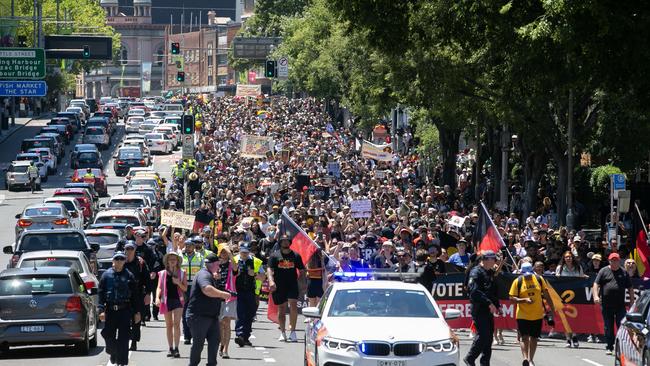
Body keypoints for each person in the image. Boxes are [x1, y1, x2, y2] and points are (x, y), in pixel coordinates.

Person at [185, 252, 231, 366]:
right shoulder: (204, 274)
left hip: (211, 317)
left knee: (215, 341)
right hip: (198, 316)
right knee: (198, 343)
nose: (219, 267)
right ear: (213, 264)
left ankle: (211, 364)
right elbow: (207, 289)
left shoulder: (210, 274)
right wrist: (222, 294)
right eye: (217, 264)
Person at [98, 251, 140, 366]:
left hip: (125, 311)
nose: (119, 261)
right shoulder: (106, 275)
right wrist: (101, 310)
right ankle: (113, 352)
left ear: (124, 261)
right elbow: (101, 294)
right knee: (107, 335)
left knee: (124, 339)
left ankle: (122, 362)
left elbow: (135, 295)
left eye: (121, 259)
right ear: (113, 261)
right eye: (117, 259)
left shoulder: (129, 275)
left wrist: (137, 312)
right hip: (111, 311)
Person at [509, 262, 555, 366]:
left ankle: (531, 359)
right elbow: (511, 299)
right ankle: (525, 358)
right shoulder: (518, 281)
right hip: (522, 315)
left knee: (534, 338)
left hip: (537, 314)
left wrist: (552, 309)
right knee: (524, 337)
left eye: (530, 274)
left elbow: (547, 295)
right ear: (521, 273)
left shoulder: (539, 279)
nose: (528, 277)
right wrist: (524, 300)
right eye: (526, 275)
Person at [593, 252, 634, 355]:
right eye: (612, 260)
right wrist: (596, 296)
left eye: (616, 260)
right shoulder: (603, 271)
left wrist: (632, 302)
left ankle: (620, 347)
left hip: (620, 305)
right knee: (608, 327)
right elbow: (596, 284)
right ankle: (609, 347)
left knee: (621, 326)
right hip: (606, 305)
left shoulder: (624, 272)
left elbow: (630, 288)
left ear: (619, 261)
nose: (614, 262)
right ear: (609, 261)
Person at [464, 250, 500, 366]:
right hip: (479, 308)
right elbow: (474, 291)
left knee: (488, 338)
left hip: (488, 309)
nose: (495, 261)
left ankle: (485, 363)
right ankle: (470, 358)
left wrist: (496, 305)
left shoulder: (488, 272)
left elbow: (491, 290)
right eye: (493, 259)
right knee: (483, 335)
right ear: (485, 259)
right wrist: (489, 303)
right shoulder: (476, 272)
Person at [268, 234, 305, 342]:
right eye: (283, 241)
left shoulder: (296, 255)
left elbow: (302, 270)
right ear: (280, 242)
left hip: (292, 284)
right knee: (282, 308)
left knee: (293, 305)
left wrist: (302, 283)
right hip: (279, 285)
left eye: (287, 241)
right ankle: (283, 332)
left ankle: (293, 332)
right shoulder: (274, 256)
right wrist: (271, 281)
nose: (285, 242)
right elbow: (269, 269)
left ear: (290, 242)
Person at [155, 251, 187, 358]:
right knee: (169, 325)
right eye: (170, 259)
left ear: (177, 261)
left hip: (178, 300)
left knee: (177, 324)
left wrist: (178, 282)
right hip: (166, 300)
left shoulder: (182, 272)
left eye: (174, 259)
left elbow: (185, 288)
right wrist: (156, 298)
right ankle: (170, 348)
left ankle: (177, 348)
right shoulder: (163, 273)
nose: (172, 261)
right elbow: (159, 287)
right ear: (167, 262)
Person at [235, 244, 264, 347]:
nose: (244, 254)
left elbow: (263, 277)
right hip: (238, 292)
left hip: (251, 292)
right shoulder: (234, 260)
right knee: (240, 314)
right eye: (242, 252)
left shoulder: (256, 261)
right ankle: (240, 335)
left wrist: (255, 274)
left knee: (249, 315)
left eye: (246, 252)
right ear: (239, 251)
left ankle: (246, 337)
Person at [123, 242, 150, 352]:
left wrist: (148, 294)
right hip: (123, 295)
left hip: (137, 295)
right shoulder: (120, 261)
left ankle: (134, 342)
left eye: (131, 249)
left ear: (134, 250)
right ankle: (124, 341)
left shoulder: (140, 263)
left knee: (136, 319)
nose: (129, 251)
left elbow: (147, 279)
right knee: (123, 320)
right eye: (127, 249)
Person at [215, 245, 237, 359]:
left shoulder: (231, 264)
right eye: (222, 252)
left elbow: (235, 267)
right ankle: (221, 344)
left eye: (226, 252)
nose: (224, 254)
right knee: (219, 324)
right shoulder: (215, 265)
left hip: (229, 297)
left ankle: (226, 350)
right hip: (217, 296)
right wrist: (214, 277)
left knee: (226, 322)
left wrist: (230, 253)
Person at [180, 238, 203, 345]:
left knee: (196, 312)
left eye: (190, 245)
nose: (187, 247)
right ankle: (187, 335)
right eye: (186, 245)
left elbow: (203, 272)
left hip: (196, 287)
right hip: (183, 287)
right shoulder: (180, 257)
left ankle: (196, 335)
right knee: (185, 312)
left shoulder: (200, 257)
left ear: (194, 246)